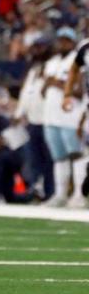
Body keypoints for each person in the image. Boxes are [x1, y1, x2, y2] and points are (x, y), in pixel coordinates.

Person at [42, 28, 84, 207]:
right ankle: (60, 194)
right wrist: (46, 85)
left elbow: (81, 90)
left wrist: (57, 83)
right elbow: (44, 91)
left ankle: (78, 194)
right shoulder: (51, 62)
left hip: (70, 116)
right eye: (60, 40)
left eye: (66, 41)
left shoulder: (78, 60)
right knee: (58, 158)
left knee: (76, 155)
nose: (62, 44)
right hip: (51, 116)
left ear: (73, 42)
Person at [15, 36, 54, 200]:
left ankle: (51, 192)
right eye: (35, 47)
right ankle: (36, 189)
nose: (37, 50)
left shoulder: (53, 67)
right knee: (34, 160)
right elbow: (26, 94)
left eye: (40, 47)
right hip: (32, 121)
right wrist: (19, 113)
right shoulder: (32, 70)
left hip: (48, 121)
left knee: (49, 160)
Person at [61, 34, 89, 208]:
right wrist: (67, 94)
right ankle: (79, 193)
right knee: (84, 150)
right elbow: (74, 69)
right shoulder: (85, 48)